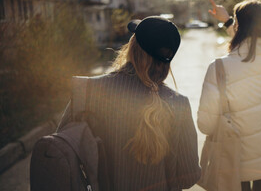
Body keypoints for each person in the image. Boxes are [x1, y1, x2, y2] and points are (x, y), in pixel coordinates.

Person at [59, 16, 201, 190]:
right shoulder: (178, 104)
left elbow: (62, 153)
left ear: (132, 47)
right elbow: (189, 175)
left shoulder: (88, 91)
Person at [197, 0, 261, 191]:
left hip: (235, 161)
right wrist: (229, 21)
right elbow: (251, 46)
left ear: (239, 27)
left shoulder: (219, 68)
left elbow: (205, 125)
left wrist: (229, 22)